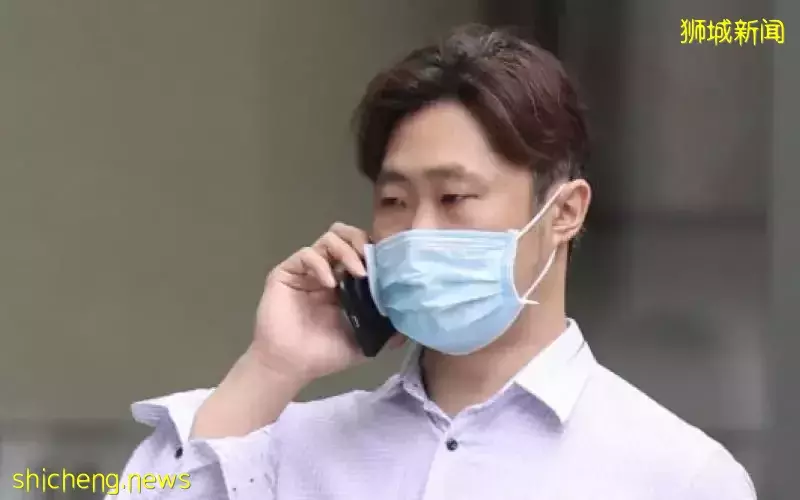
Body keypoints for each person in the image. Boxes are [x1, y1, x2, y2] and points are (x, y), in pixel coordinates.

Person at [109, 25, 756, 499]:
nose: (418, 231)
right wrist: (271, 368)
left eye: (454, 198)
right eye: (394, 201)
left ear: (564, 212)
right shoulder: (285, 449)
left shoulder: (676, 475)